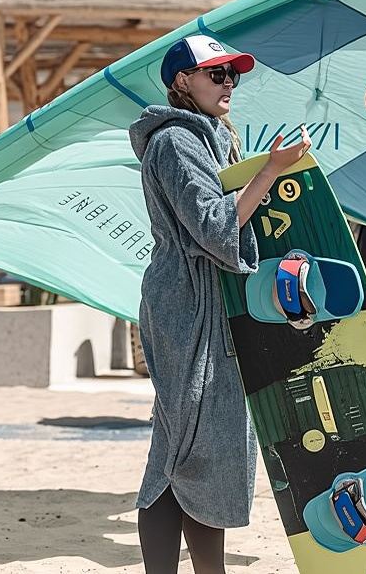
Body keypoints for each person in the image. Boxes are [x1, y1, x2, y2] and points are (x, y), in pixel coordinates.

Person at [128, 34, 310, 574]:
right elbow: (213, 227)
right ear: (183, 81)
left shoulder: (205, 138)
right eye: (217, 74)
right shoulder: (176, 143)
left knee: (198, 446)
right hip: (185, 306)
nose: (229, 83)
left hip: (203, 302)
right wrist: (270, 170)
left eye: (234, 74)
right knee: (182, 449)